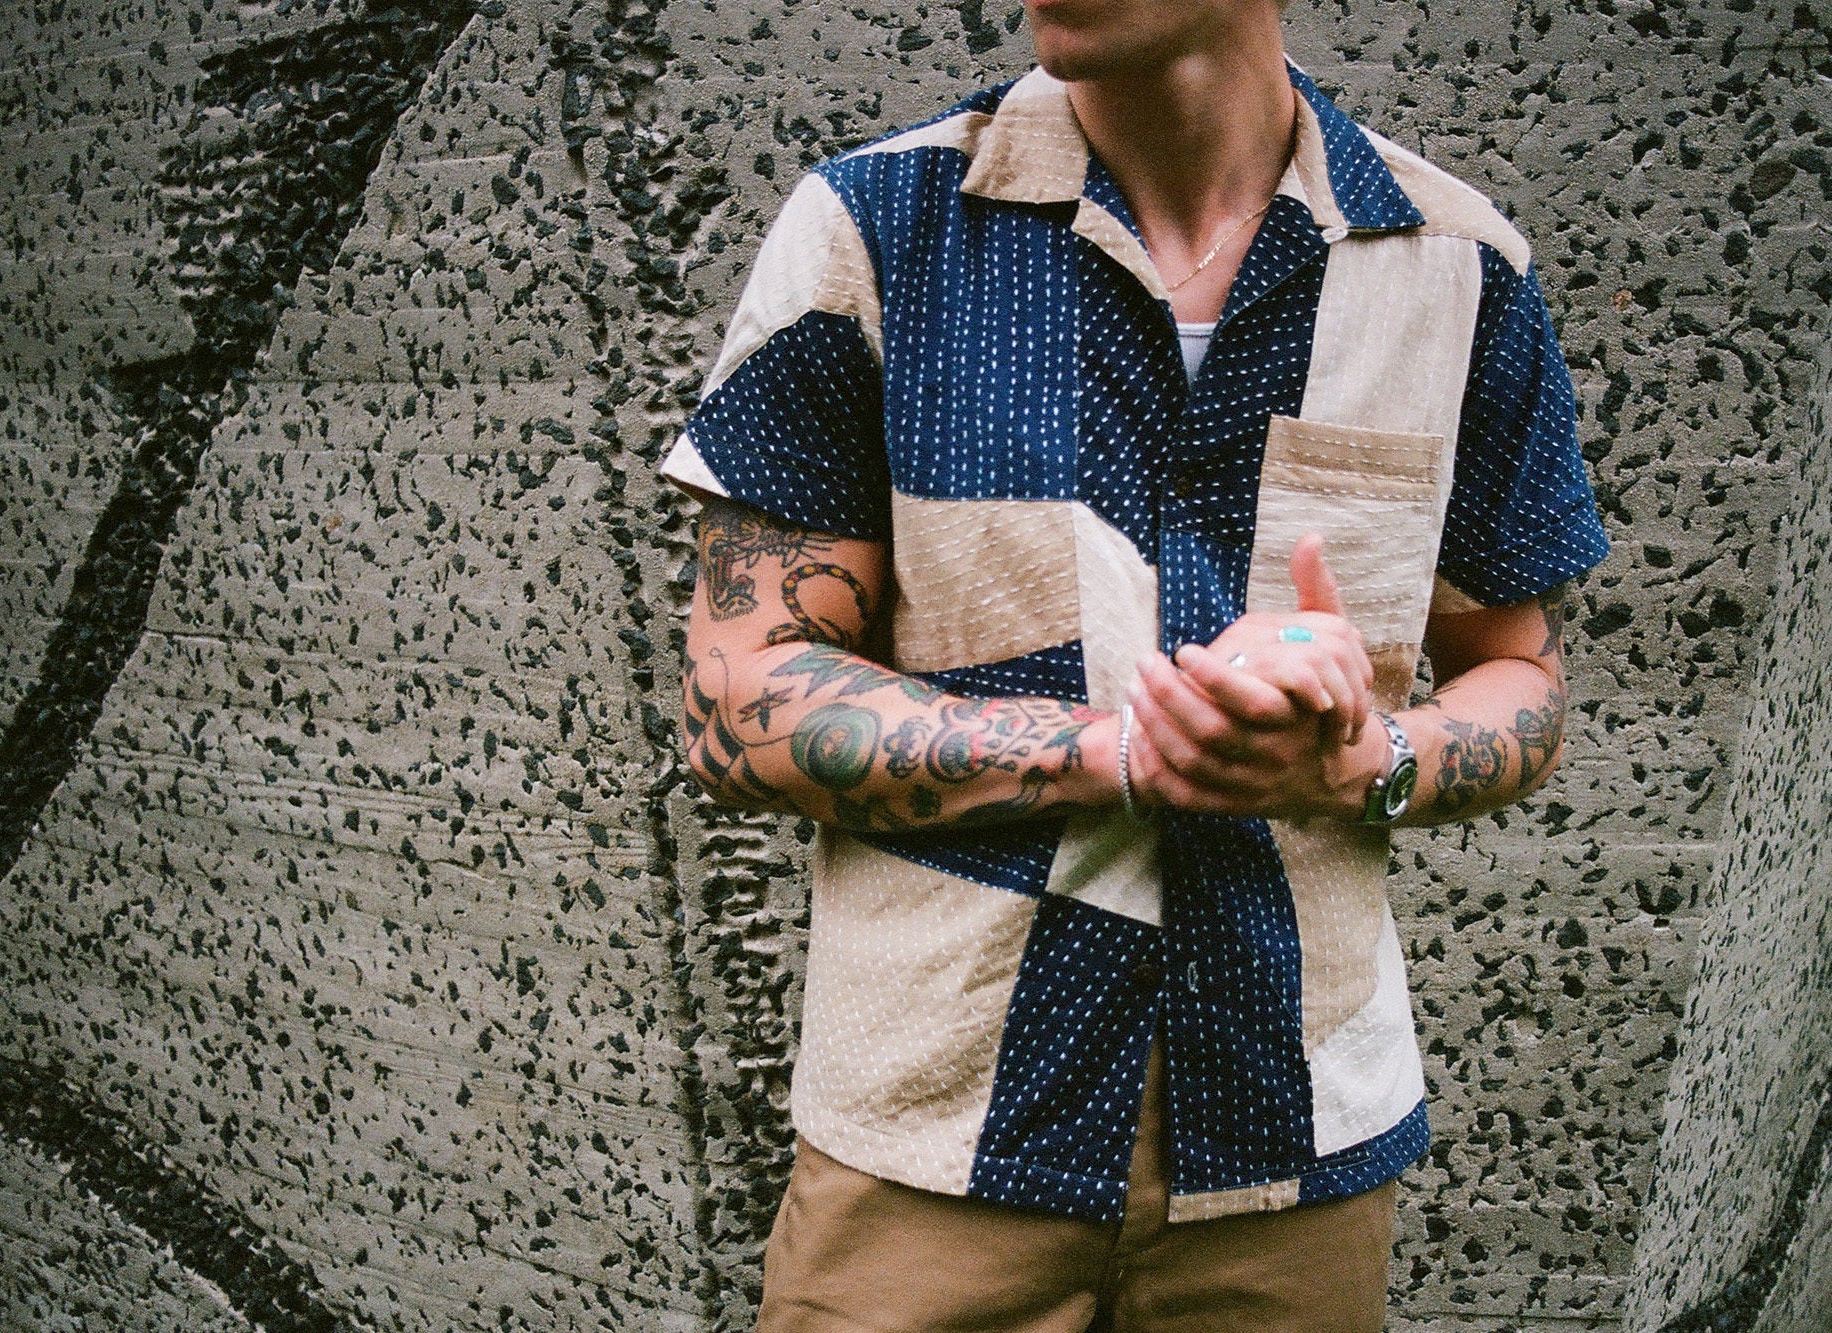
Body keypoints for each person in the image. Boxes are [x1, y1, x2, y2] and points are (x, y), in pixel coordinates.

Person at [661, 0, 1608, 1327]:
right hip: (933, 1160)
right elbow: (733, 697)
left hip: (1294, 1170)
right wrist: (1111, 750)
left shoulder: (1459, 269)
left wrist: (1369, 757)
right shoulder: (877, 228)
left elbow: (1524, 676)